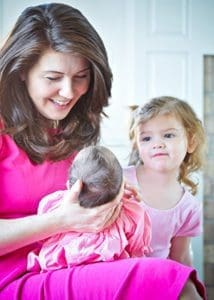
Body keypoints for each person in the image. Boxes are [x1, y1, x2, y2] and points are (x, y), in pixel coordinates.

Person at [0, 3, 206, 299]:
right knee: (166, 280)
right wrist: (60, 220)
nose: (69, 92)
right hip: (11, 276)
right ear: (22, 71)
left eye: (81, 76)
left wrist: (111, 199)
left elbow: (78, 200)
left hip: (66, 264)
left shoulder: (72, 131)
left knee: (171, 279)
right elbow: (67, 215)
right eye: (53, 78)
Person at [27, 145, 152, 271]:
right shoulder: (133, 213)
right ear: (122, 184)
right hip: (112, 274)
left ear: (70, 186)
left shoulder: (52, 203)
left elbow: (43, 238)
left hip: (58, 272)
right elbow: (137, 249)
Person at [124, 96, 206, 267]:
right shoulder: (119, 180)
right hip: (114, 273)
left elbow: (180, 259)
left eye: (168, 135)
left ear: (191, 142)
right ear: (137, 146)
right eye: (146, 138)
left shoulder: (189, 207)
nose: (157, 144)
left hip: (157, 278)